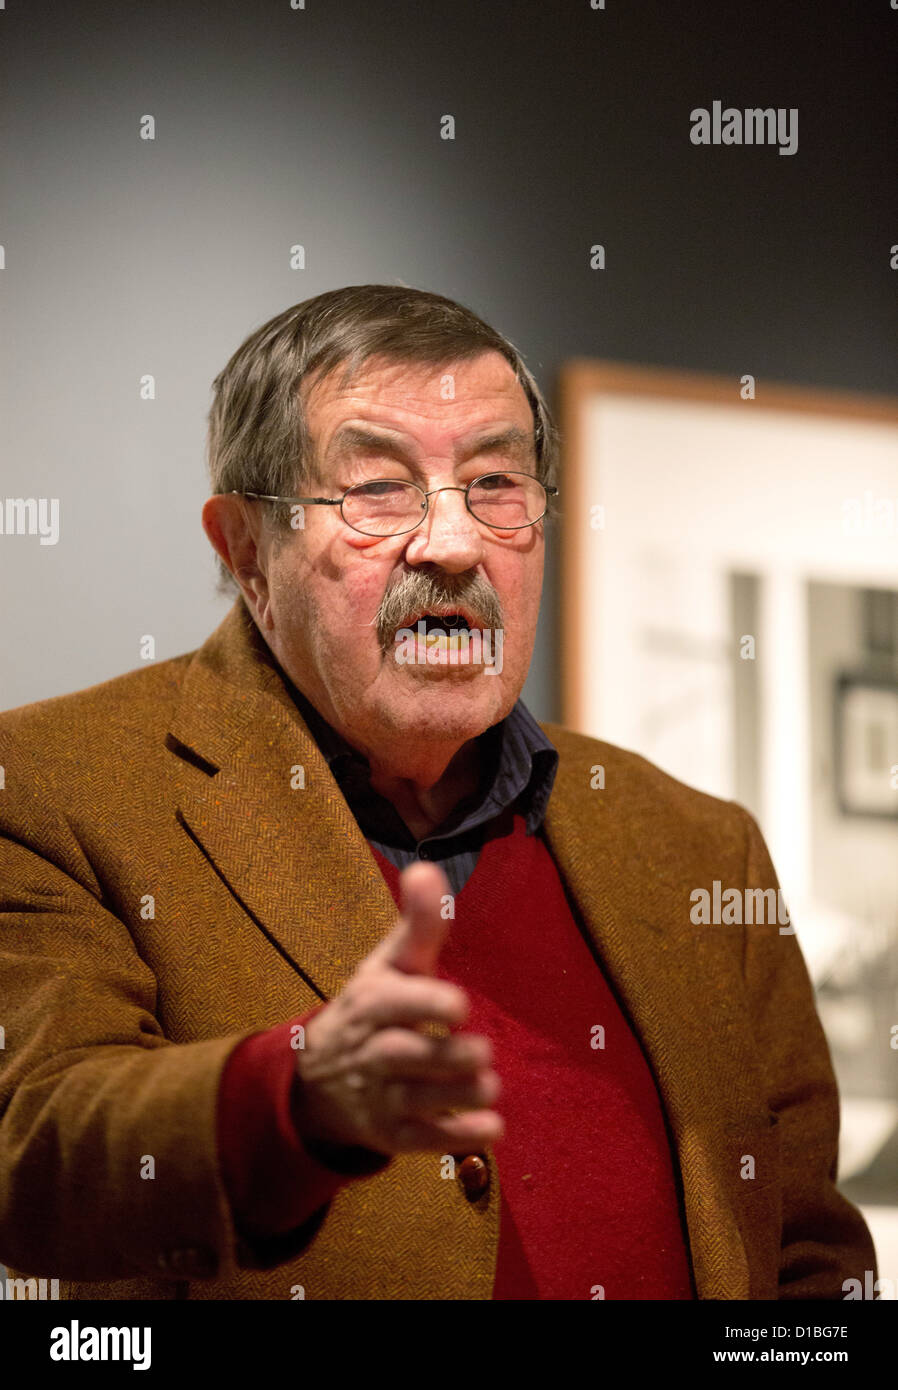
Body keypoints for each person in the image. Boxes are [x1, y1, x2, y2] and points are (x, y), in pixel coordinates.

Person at [0, 285, 875, 1300]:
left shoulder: (697, 847)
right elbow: (34, 1153)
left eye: (496, 481)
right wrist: (298, 1098)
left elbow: (806, 1251)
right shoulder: (56, 788)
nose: (454, 544)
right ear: (246, 549)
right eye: (377, 488)